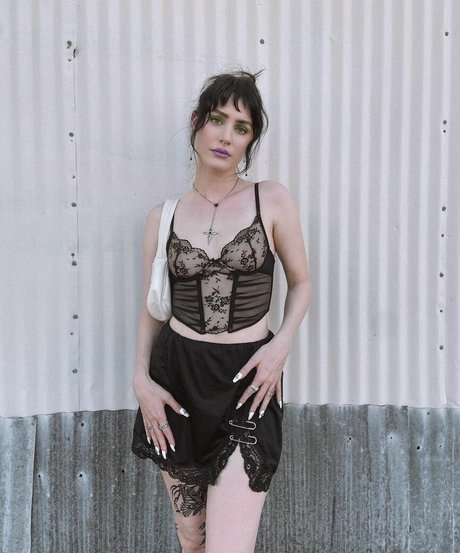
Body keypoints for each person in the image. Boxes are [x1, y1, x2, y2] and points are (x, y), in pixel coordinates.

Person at [131, 69, 312, 553]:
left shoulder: (270, 199)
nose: (226, 135)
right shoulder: (162, 217)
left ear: (250, 141)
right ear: (197, 122)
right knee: (193, 540)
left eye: (241, 127)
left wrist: (280, 347)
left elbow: (302, 283)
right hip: (176, 382)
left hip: (248, 382)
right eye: (217, 119)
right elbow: (152, 308)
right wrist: (141, 379)